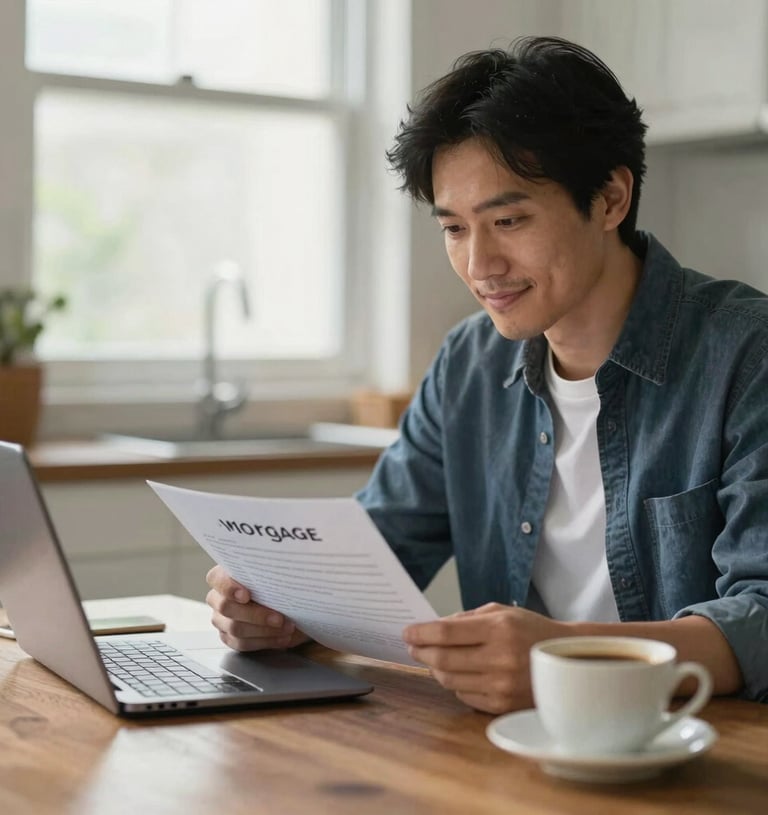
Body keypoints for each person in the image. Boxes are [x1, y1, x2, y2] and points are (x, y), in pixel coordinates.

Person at [206, 36, 768, 713]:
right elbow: (371, 559)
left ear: (612, 198)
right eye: (454, 228)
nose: (480, 264)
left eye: (508, 219)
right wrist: (276, 604)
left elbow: (761, 616)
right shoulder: (469, 364)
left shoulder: (745, 352)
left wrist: (567, 661)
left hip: (703, 752)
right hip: (510, 750)